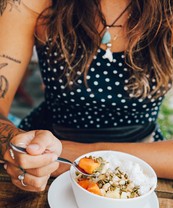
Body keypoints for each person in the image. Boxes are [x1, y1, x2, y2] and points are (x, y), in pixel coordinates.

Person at [0, 0, 173, 192]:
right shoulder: (29, 3)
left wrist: (78, 155)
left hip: (140, 171)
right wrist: (15, 143)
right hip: (40, 167)